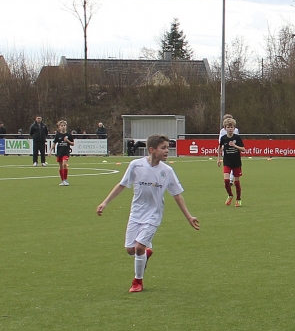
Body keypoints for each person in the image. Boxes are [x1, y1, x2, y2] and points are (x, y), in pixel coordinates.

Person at [96, 134, 200, 293]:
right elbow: (122, 185)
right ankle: (146, 253)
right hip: (136, 213)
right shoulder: (136, 165)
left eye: (168, 147)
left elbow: (177, 195)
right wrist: (105, 202)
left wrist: (189, 217)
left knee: (138, 248)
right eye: (163, 148)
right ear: (152, 150)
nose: (167, 151)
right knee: (130, 249)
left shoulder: (167, 171)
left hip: (154, 215)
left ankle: (137, 281)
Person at [218, 117, 246, 206]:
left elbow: (243, 149)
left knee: (236, 182)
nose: (230, 129)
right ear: (225, 128)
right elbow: (219, 148)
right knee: (226, 181)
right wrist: (218, 159)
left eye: (231, 127)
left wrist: (235, 145)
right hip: (227, 162)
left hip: (236, 162)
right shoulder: (223, 138)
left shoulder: (237, 138)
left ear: (234, 128)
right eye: (228, 127)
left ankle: (238, 199)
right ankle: (230, 195)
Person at [53, 120, 75, 185]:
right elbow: (54, 143)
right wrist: (50, 151)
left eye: (64, 125)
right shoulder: (57, 135)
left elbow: (72, 143)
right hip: (59, 152)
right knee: (60, 166)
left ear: (66, 126)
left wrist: (67, 140)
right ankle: (62, 180)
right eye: (61, 126)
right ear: (59, 127)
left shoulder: (69, 135)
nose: (63, 127)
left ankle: (65, 179)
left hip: (66, 152)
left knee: (64, 164)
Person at [219, 115, 240, 182]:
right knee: (227, 163)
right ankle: (229, 179)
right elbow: (220, 140)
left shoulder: (236, 130)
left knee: (234, 164)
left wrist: (235, 146)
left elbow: (237, 139)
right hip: (226, 149)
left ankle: (231, 178)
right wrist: (222, 146)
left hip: (234, 150)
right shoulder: (222, 131)